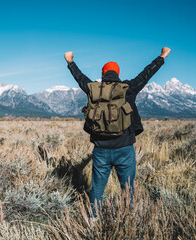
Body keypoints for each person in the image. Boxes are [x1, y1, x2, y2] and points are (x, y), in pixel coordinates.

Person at [64, 47, 171, 215]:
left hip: (101, 149)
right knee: (128, 187)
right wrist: (162, 56)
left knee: (97, 189)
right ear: (118, 73)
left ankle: (93, 219)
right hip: (125, 148)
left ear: (103, 74)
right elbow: (146, 74)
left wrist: (70, 61)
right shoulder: (128, 88)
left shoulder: (93, 89)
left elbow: (80, 78)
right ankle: (129, 218)